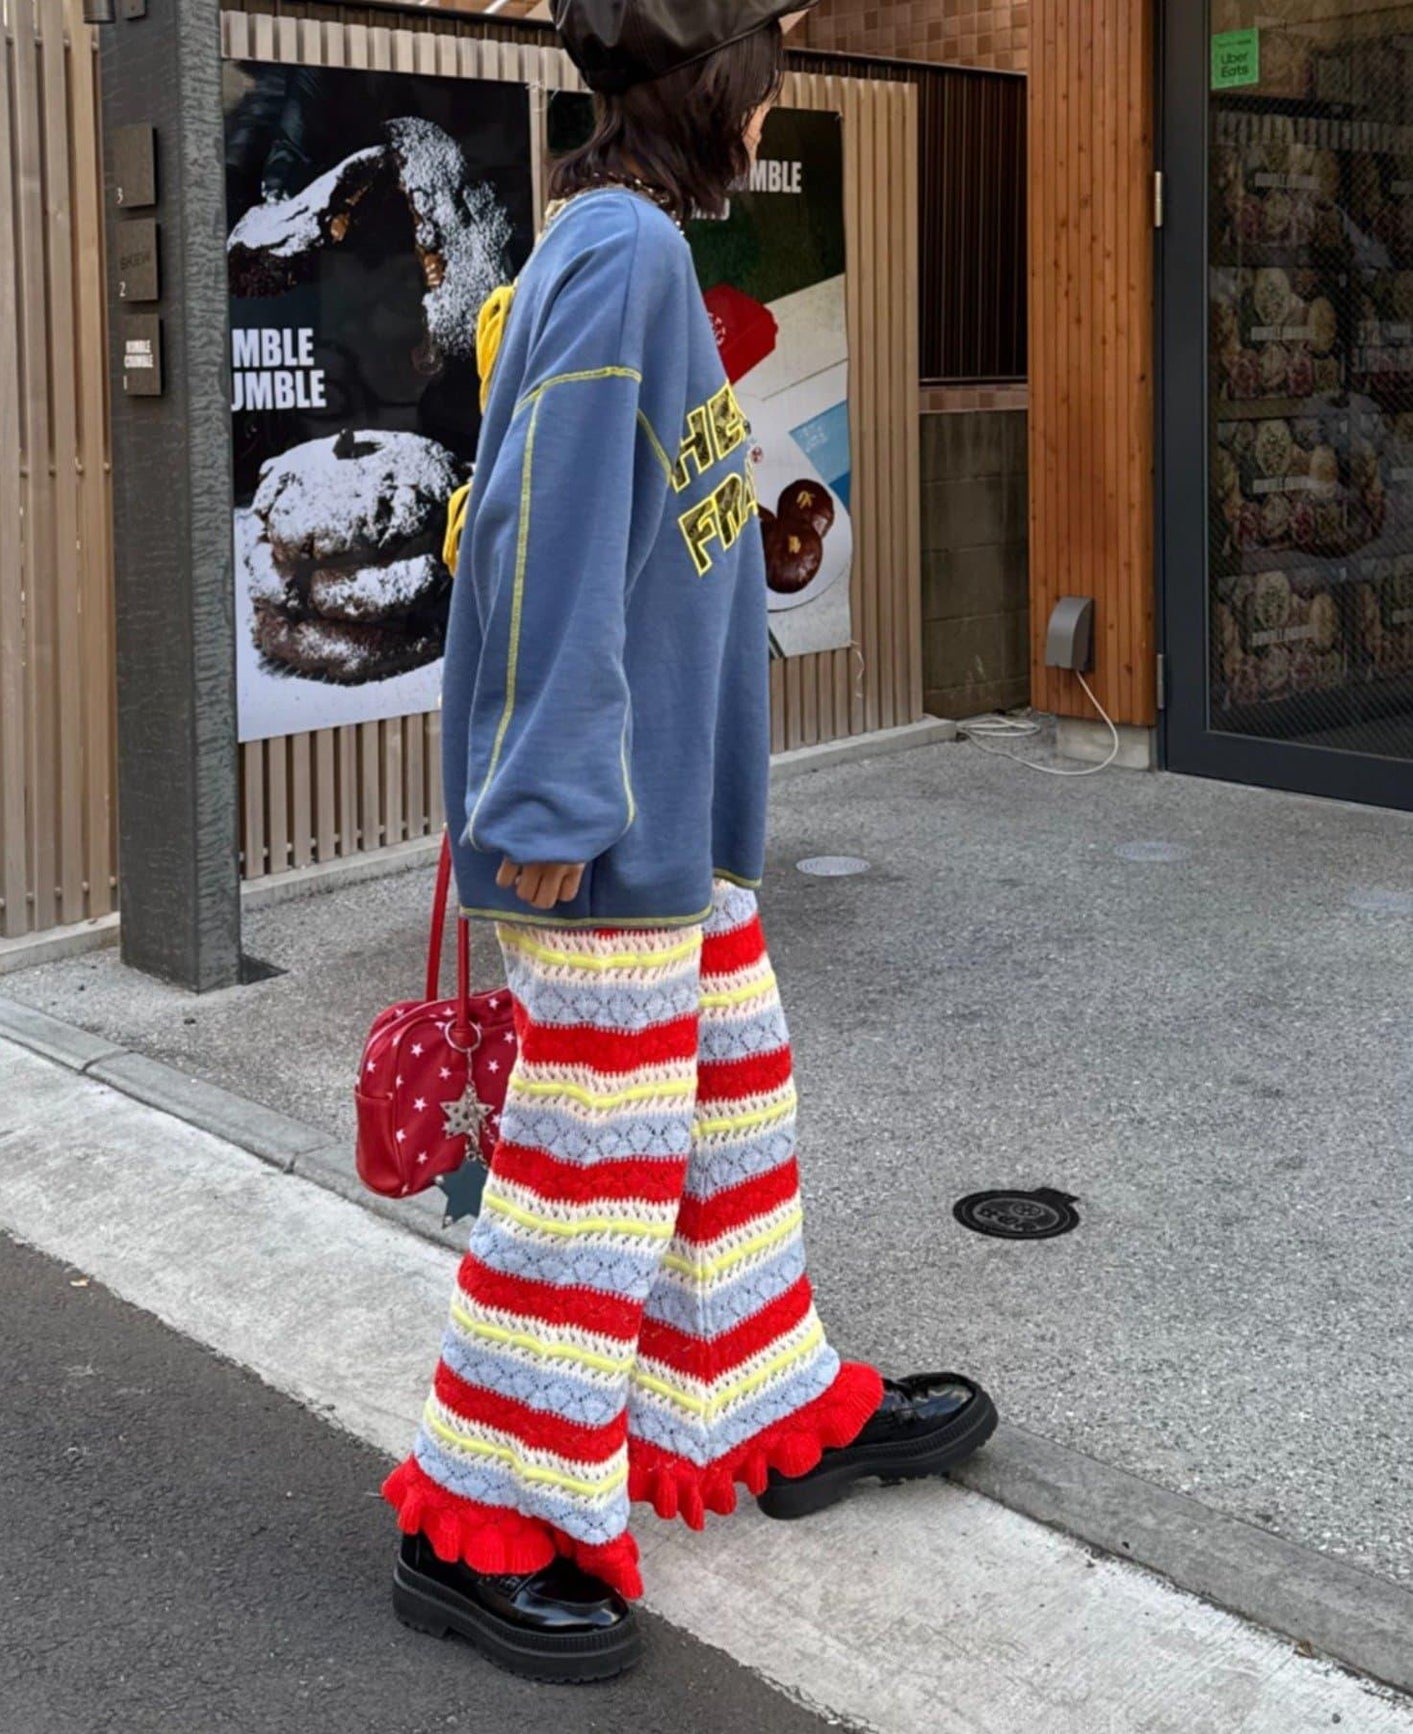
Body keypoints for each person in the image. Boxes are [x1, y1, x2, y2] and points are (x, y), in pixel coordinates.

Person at [384, 0, 998, 1683]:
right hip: (603, 824)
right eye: (766, 72)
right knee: (588, 1173)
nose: (772, 101)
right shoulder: (624, 260)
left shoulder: (620, 246)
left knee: (729, 1106)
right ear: (713, 85)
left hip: (670, 815)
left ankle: (764, 1400)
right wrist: (547, 803)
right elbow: (540, 529)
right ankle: (474, 1516)